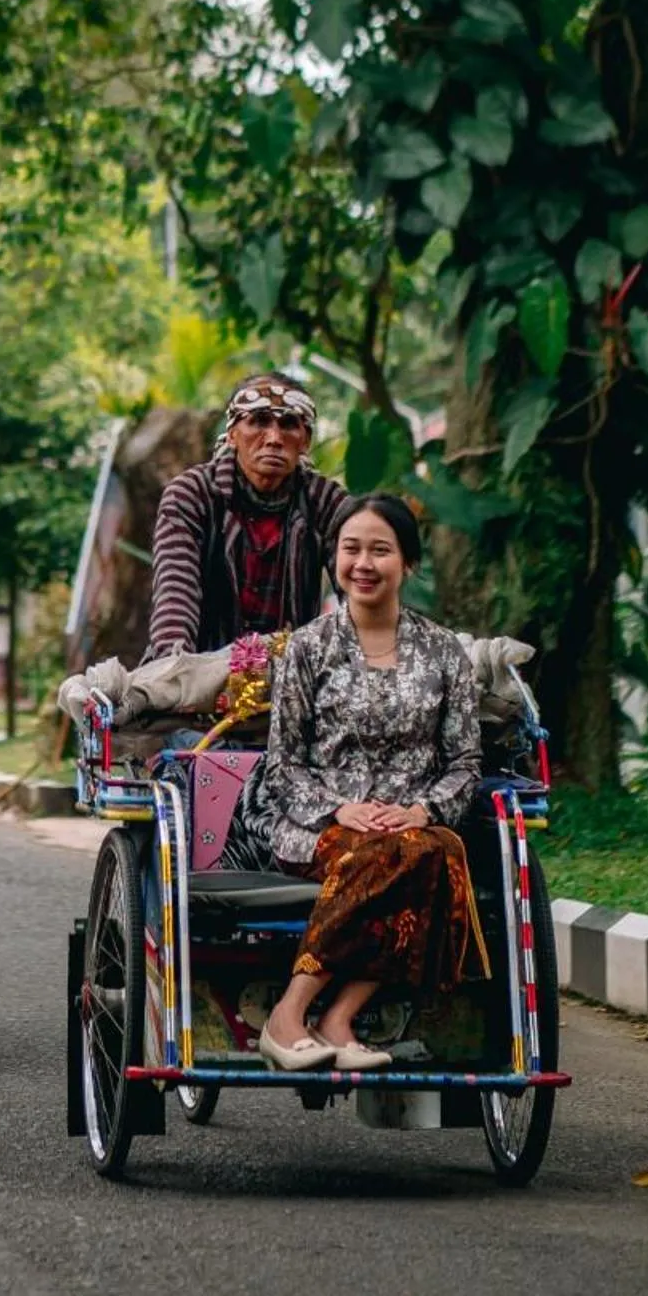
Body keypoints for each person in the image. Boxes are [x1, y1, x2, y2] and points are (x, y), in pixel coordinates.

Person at [245, 491, 487, 1071]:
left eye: (380, 550)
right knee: (409, 856)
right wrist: (339, 810)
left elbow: (465, 763)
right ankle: (288, 1017)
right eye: (350, 549)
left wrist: (423, 810)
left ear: (409, 564)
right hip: (317, 828)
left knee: (431, 851)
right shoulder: (308, 648)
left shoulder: (444, 651)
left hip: (411, 829)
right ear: (335, 559)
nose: (363, 563)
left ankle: (335, 1018)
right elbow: (282, 765)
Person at [146, 375, 346, 656]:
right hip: (201, 665)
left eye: (289, 424)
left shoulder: (326, 502)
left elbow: (359, 595)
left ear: (306, 441)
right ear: (232, 434)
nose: (274, 438)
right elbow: (175, 595)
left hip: (293, 669)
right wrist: (174, 666)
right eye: (259, 421)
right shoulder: (192, 494)